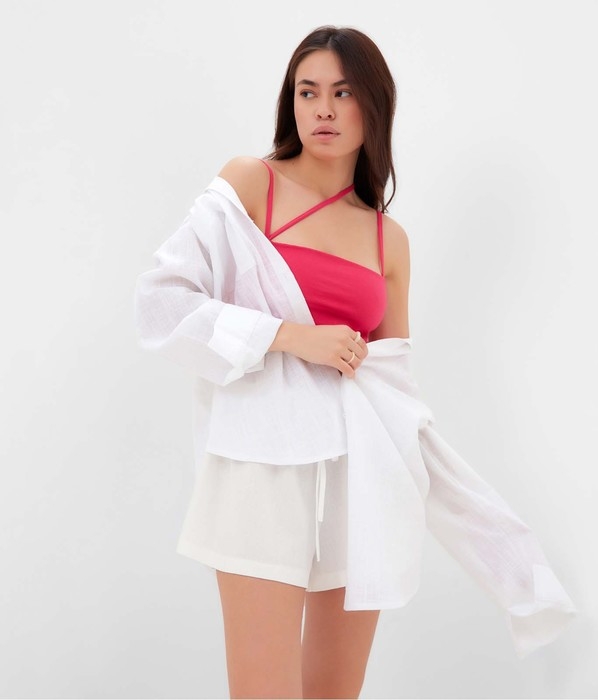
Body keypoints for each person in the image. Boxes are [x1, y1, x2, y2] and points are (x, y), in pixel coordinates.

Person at [136, 25, 408, 699]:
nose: (322, 109)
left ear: (373, 104)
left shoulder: (389, 237)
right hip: (258, 468)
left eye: (342, 93)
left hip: (358, 477)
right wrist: (291, 336)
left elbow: (393, 379)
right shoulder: (251, 184)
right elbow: (162, 301)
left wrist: (417, 482)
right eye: (307, 92)